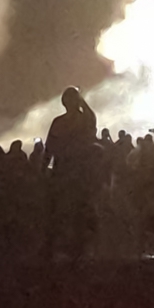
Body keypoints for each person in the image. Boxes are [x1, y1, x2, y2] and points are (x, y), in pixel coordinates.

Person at [44, 87, 99, 260]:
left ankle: (65, 247)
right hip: (78, 172)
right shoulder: (83, 120)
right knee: (77, 212)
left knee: (66, 212)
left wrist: (43, 170)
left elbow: (49, 149)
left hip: (65, 171)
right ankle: (77, 248)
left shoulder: (59, 122)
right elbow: (92, 119)